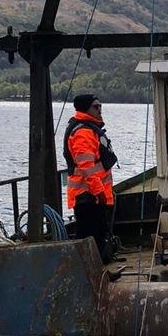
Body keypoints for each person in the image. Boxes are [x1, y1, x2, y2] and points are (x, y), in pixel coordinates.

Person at [62, 93, 117, 262]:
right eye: (96, 107)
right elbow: (86, 167)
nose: (100, 110)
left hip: (94, 195)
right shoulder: (83, 133)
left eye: (100, 106)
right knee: (89, 238)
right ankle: (89, 272)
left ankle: (100, 269)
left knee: (99, 236)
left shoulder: (90, 129)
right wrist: (99, 192)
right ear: (86, 108)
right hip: (87, 196)